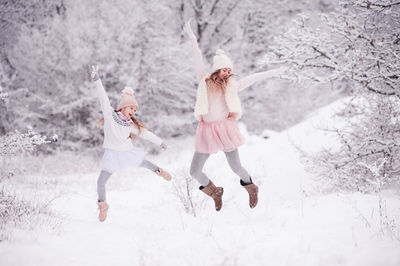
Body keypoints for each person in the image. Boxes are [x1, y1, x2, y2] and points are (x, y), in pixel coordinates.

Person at [183, 20, 287, 211]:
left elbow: (253, 78)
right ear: (217, 70)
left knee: (236, 166)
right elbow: (197, 57)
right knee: (194, 171)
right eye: (225, 70)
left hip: (224, 129)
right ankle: (215, 192)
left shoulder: (232, 86)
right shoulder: (204, 81)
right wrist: (191, 37)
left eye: (230, 70)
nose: (228, 73)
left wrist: (275, 72)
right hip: (206, 130)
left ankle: (251, 186)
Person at [90, 65, 171, 222]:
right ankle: (103, 206)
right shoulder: (108, 114)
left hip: (126, 152)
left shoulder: (131, 125)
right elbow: (102, 96)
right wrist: (96, 79)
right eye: (131, 108)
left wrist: (161, 143)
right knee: (100, 182)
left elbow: (146, 134)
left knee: (145, 163)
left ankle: (159, 171)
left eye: (135, 110)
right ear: (123, 106)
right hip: (112, 155)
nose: (133, 112)